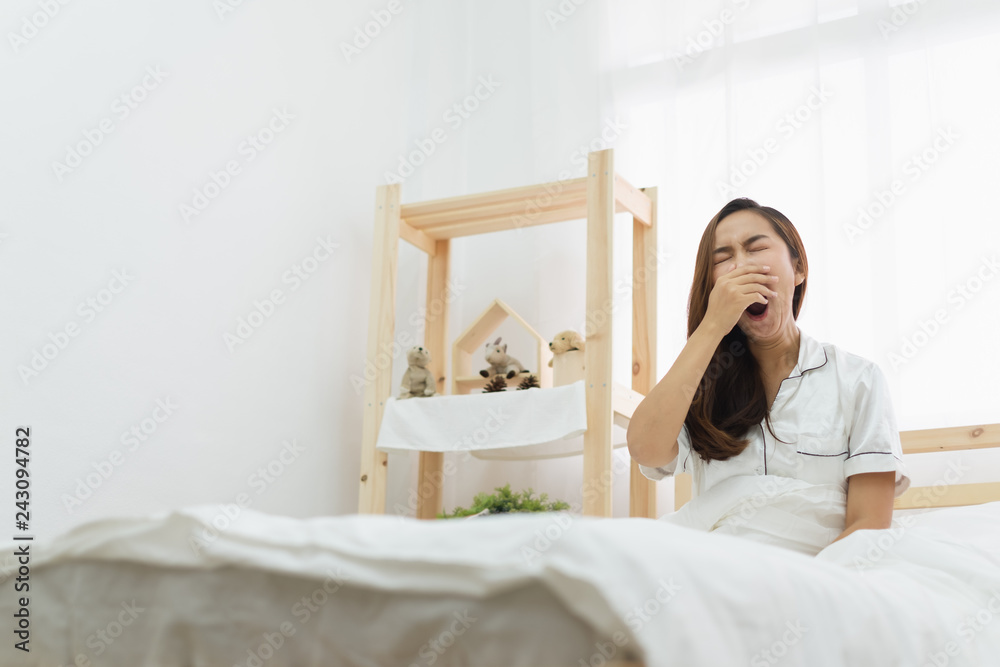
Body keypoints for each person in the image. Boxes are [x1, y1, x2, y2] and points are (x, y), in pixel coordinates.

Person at [626, 197, 911, 555]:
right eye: (722, 259)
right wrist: (712, 325)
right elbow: (646, 449)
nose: (740, 267)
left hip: (824, 574)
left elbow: (868, 525)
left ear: (798, 268)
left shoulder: (858, 379)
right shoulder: (700, 387)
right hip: (719, 571)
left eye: (756, 248)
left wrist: (799, 583)